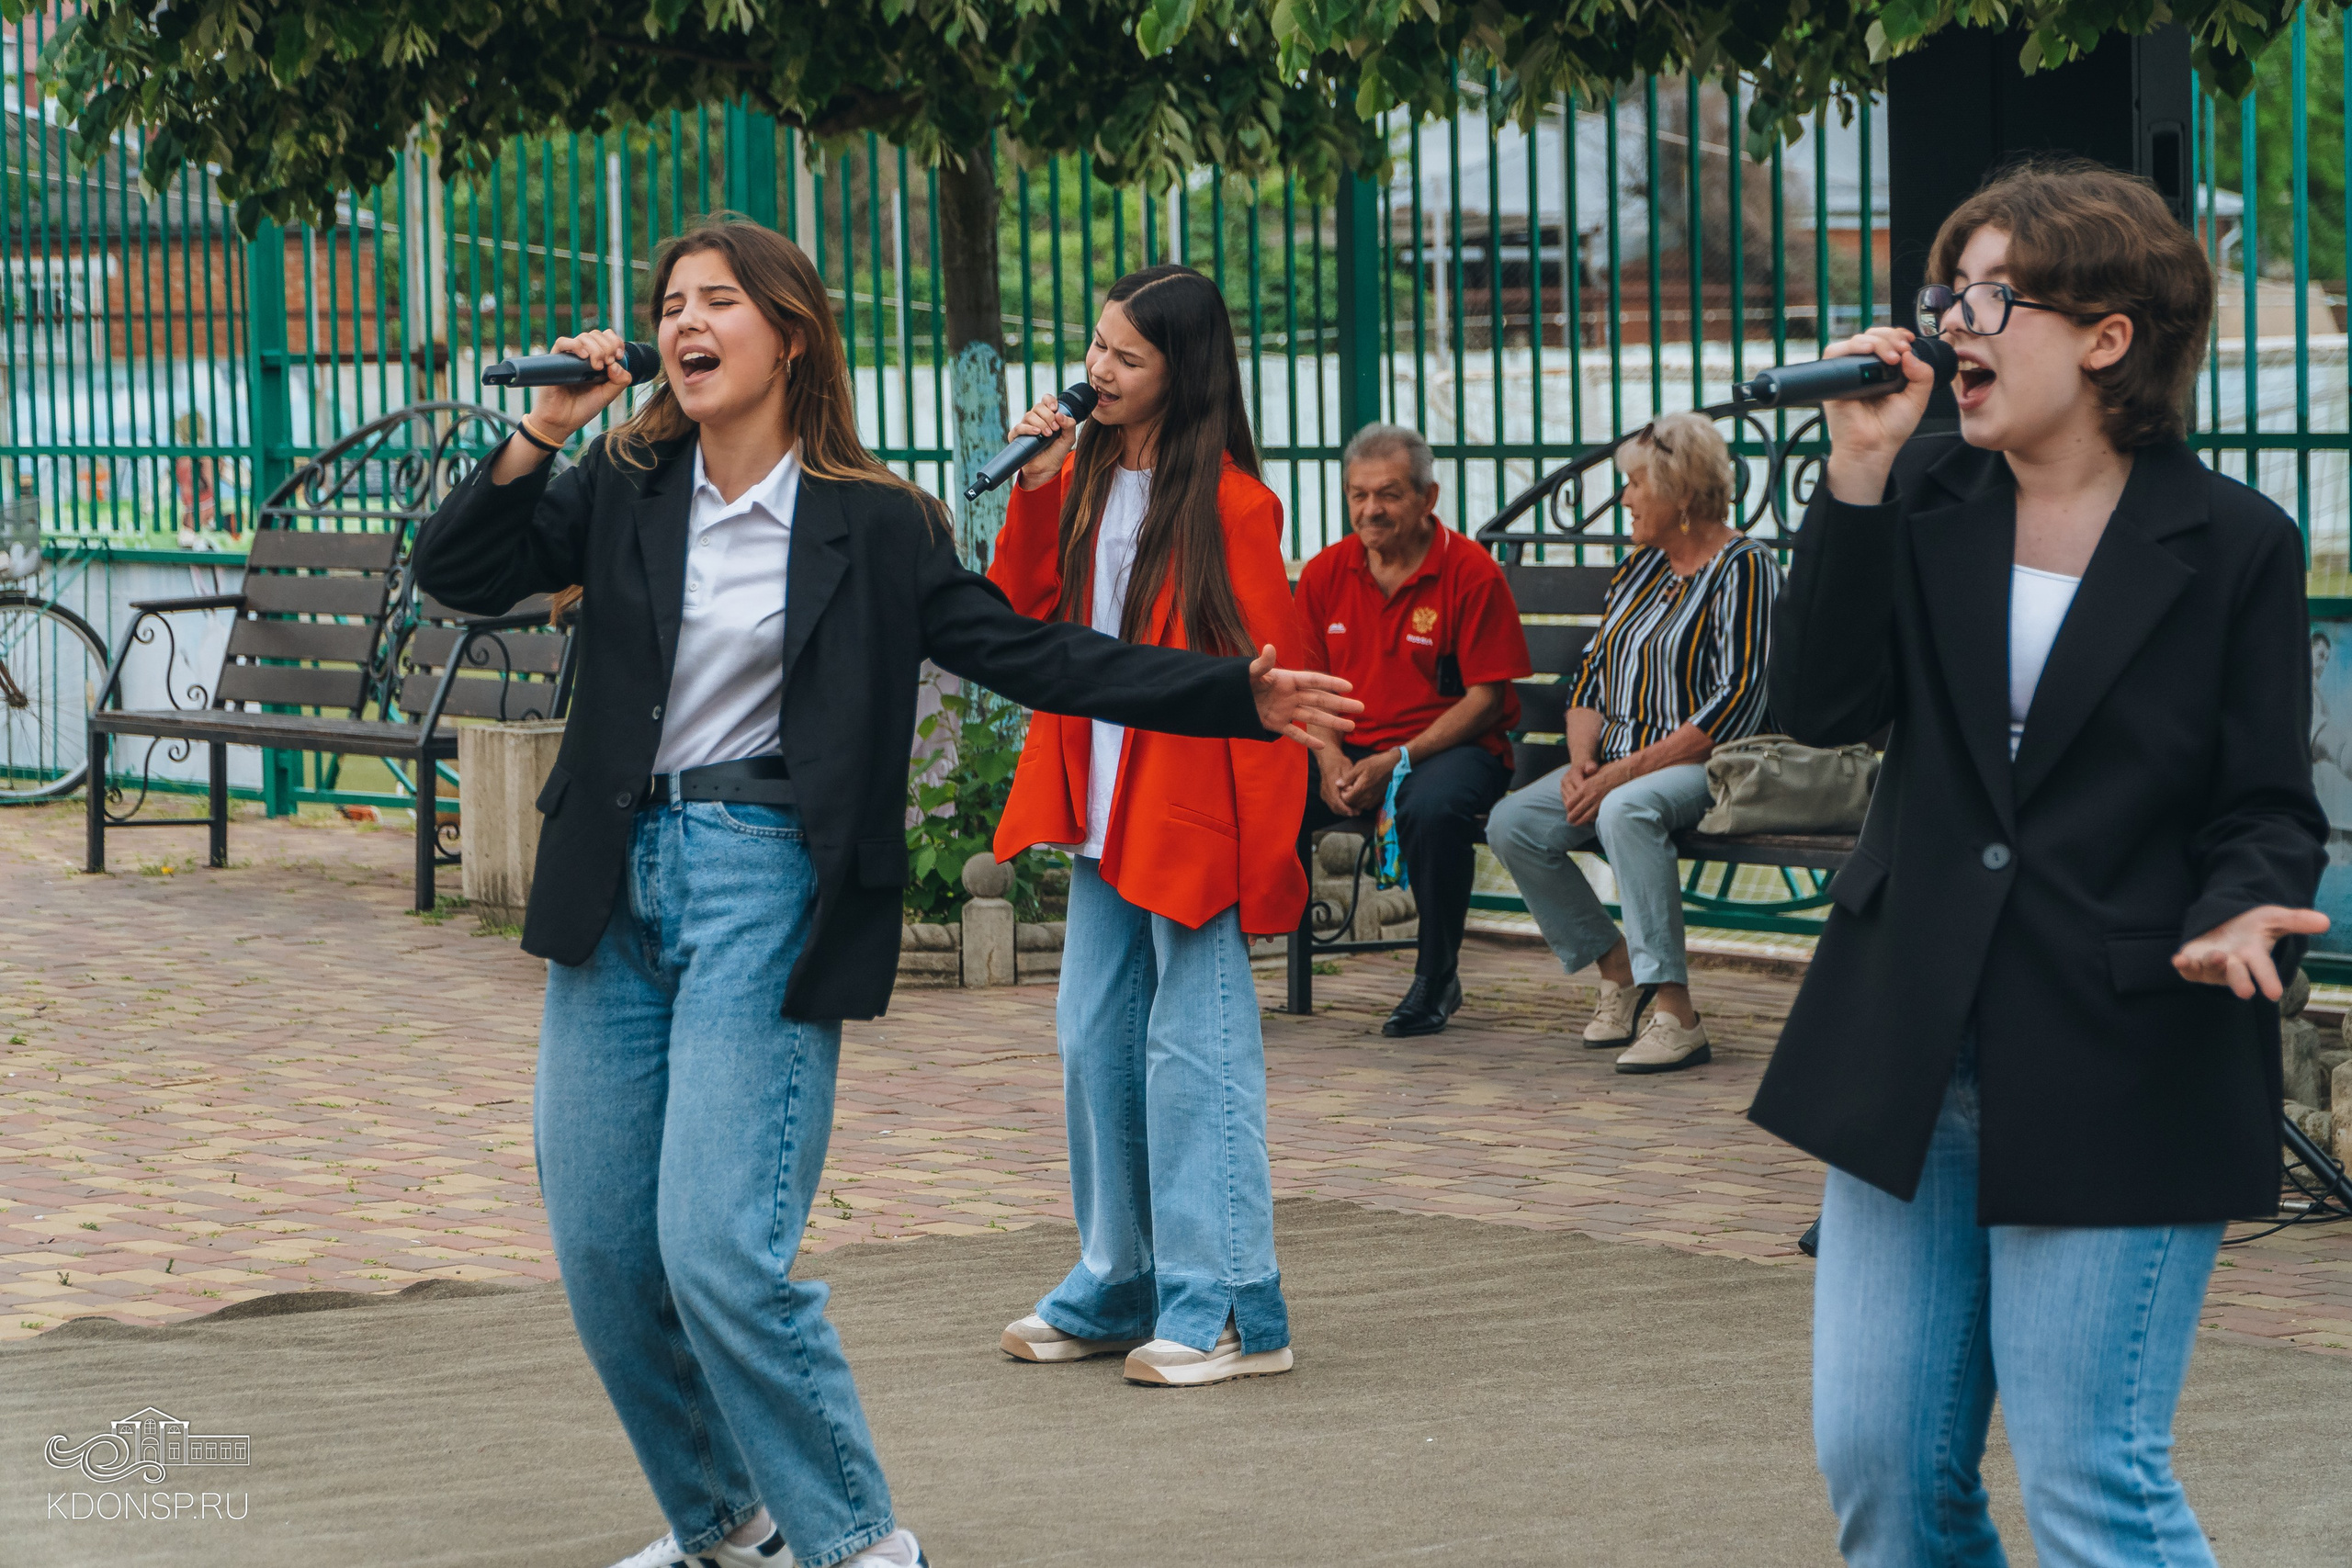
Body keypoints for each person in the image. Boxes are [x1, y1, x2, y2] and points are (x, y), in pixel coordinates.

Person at [410, 223, 1360, 1568]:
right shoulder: (625, 478)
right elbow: (455, 573)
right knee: (608, 1250)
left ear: (789, 333)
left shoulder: (878, 518)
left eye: (717, 301)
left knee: (719, 1249)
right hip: (612, 884)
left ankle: (855, 1538)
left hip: (765, 873)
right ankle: (723, 1523)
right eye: (670, 302)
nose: (684, 322)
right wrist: (543, 432)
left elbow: (1029, 652)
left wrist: (1233, 693)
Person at [1755, 158, 2326, 1565]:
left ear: (2108, 335)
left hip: (2122, 1043)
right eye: (1949, 292)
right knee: (1885, 1472)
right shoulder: (1924, 489)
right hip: (1909, 1040)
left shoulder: (2234, 542)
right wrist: (1862, 470)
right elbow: (1819, 707)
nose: (1955, 323)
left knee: (2093, 1485)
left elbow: (2262, 799)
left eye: (1995, 295)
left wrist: (2246, 906)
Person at [987, 264, 1308, 1388]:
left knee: (1195, 1056)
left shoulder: (1234, 505)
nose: (1097, 371)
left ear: (1183, 370)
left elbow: (1273, 691)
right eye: (1094, 346)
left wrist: (1262, 851)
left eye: (1125, 355)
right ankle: (1119, 1279)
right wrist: (1030, 485)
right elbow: (1019, 617)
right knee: (1091, 1041)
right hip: (1099, 804)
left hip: (1194, 814)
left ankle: (1227, 1306)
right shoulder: (1076, 476)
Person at [1485, 411, 1775, 1073]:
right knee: (1514, 824)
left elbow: (1736, 703)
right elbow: (1590, 674)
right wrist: (1585, 758)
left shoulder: (1745, 570)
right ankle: (1619, 971)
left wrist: (1621, 775)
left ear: (1680, 490)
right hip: (1617, 762)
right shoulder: (1639, 569)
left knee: (1626, 808)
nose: (1625, 499)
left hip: (1711, 765)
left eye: (1635, 484)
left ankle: (1677, 1010)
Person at [1295, 423, 1533, 1035]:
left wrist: (1395, 760)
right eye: (1358, 494)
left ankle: (1436, 977)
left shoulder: (1471, 572)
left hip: (1449, 746)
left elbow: (1485, 701)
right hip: (1347, 747)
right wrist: (1328, 761)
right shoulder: (1325, 573)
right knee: (1255, 783)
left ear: (1428, 498)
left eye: (1389, 493)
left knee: (1430, 806)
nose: (1370, 509)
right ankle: (1236, 965)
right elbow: (1306, 686)